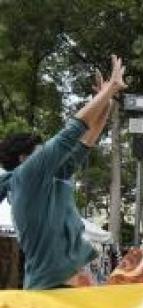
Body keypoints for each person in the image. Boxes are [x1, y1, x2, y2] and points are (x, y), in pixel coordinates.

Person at [0, 55, 127, 290]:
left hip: (71, 282)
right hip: (51, 288)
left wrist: (106, 102)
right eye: (41, 152)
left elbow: (85, 142)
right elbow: (71, 132)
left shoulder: (54, 176)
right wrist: (107, 91)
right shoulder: (26, 176)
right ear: (24, 159)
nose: (47, 154)